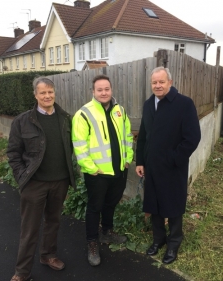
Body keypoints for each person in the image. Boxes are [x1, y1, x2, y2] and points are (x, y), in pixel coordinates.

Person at [7, 77, 75, 281]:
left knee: (53, 222)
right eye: (43, 93)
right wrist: (22, 176)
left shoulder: (65, 118)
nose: (47, 96)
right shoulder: (23, 121)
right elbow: (13, 153)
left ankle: (48, 255)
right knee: (30, 229)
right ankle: (22, 272)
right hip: (34, 183)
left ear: (54, 93)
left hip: (60, 181)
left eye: (50, 92)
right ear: (35, 95)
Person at [135, 67, 201, 264]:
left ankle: (173, 243)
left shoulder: (184, 104)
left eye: (161, 82)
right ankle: (158, 239)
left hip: (173, 167)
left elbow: (192, 137)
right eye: (154, 82)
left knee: (172, 205)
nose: (157, 86)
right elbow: (143, 136)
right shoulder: (148, 105)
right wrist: (140, 161)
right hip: (152, 166)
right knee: (154, 204)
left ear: (170, 83)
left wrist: (175, 159)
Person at [71, 74, 134, 266]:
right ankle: (92, 243)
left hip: (119, 170)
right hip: (97, 173)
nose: (104, 92)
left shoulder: (120, 111)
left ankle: (107, 233)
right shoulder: (84, 114)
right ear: (93, 92)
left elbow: (127, 136)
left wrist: (128, 158)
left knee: (111, 204)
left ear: (111, 90)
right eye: (100, 89)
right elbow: (79, 145)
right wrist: (90, 168)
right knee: (94, 208)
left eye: (107, 89)